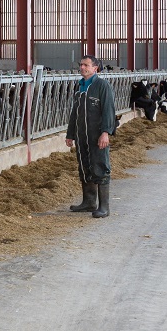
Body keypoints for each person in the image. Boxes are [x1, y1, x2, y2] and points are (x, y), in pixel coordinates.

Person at [65, 55, 116, 218]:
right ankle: (89, 202)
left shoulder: (102, 85)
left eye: (86, 65)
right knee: (85, 166)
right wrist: (70, 134)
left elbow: (109, 110)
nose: (82, 68)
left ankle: (104, 207)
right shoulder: (80, 86)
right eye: (81, 65)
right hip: (82, 135)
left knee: (100, 166)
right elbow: (75, 112)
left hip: (97, 135)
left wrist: (105, 132)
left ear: (95, 68)